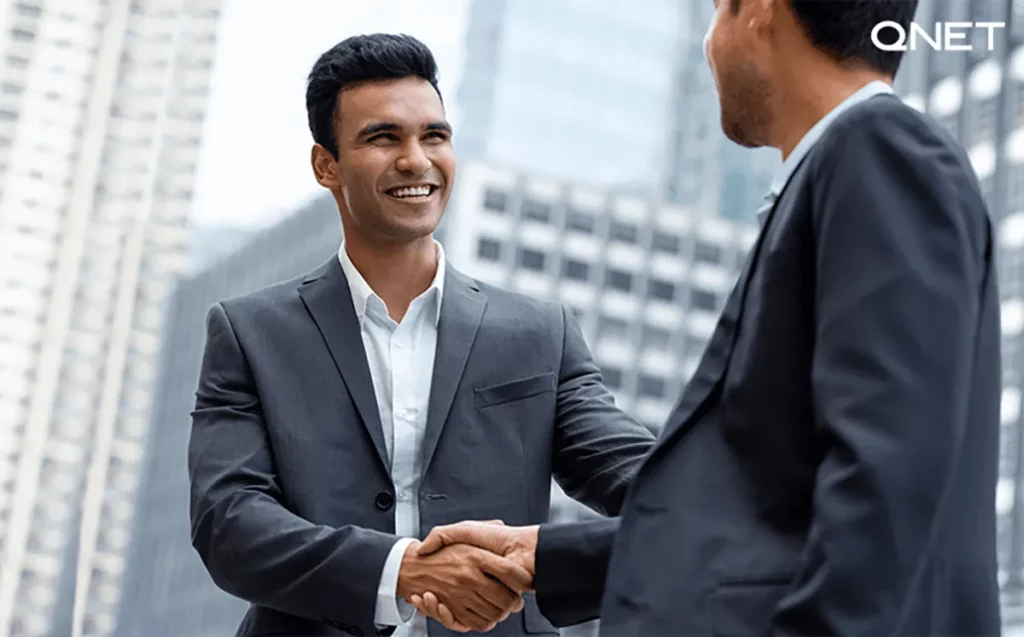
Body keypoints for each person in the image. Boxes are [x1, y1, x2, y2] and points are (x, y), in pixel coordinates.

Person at [410, 0, 1003, 635]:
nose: (708, 43)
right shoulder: (845, 170)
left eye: (717, 10)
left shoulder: (879, 153)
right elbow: (777, 520)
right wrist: (543, 556)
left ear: (759, 12)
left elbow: (886, 494)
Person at [187, 33, 656, 637]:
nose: (416, 160)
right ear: (326, 165)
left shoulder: (540, 335)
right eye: (384, 138)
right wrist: (402, 572)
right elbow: (230, 523)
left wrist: (541, 560)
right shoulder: (250, 334)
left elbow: (659, 492)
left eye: (434, 136)